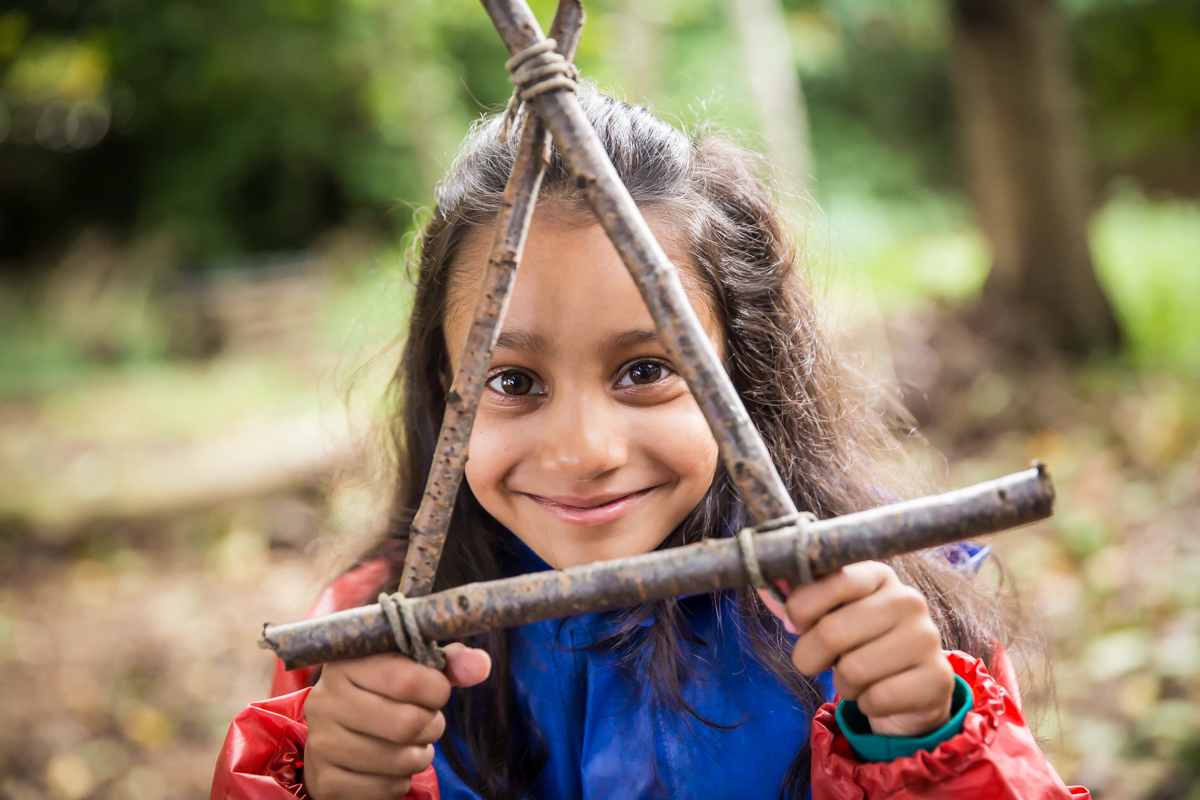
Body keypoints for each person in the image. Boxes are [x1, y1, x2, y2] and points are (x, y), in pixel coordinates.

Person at [211, 89, 1089, 800]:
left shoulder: (872, 609)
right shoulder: (369, 637)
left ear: (740, 369)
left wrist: (922, 744)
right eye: (512, 382)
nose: (584, 449)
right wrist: (327, 787)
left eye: (644, 370)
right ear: (447, 394)